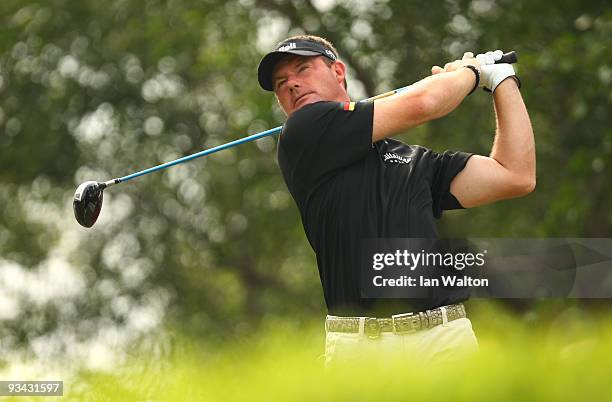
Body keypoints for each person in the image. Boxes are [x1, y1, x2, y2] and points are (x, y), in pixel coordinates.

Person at [257, 35, 535, 365]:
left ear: (338, 71)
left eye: (303, 69)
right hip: (361, 350)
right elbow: (425, 103)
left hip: (443, 338)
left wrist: (502, 80)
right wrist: (472, 71)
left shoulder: (414, 161)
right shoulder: (302, 132)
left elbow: (516, 175)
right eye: (280, 82)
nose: (291, 85)